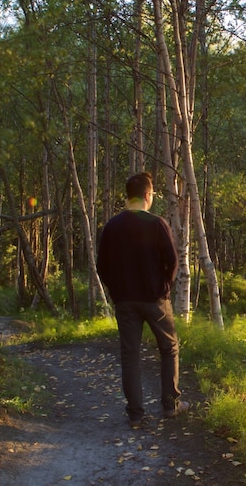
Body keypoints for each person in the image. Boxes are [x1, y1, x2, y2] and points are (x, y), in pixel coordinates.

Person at [96, 172, 188, 428]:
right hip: (154, 299)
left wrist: (116, 290)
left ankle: (135, 415)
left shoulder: (112, 227)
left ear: (129, 196)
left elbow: (101, 265)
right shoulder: (156, 223)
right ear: (148, 196)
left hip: (125, 300)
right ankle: (170, 406)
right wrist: (163, 288)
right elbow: (172, 260)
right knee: (168, 348)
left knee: (130, 355)